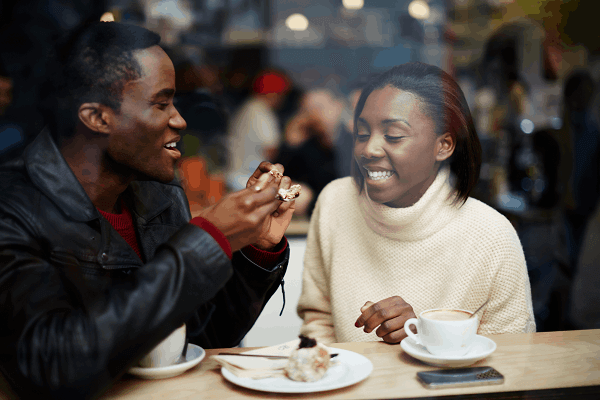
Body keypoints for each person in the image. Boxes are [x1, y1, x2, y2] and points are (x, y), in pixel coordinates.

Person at [0, 22, 296, 399]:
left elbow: (202, 337)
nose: (180, 120)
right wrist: (208, 240)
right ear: (97, 118)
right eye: (161, 103)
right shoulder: (13, 208)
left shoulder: (159, 192)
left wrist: (256, 248)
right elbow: (53, 366)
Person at [297, 62, 536, 344]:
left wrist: (422, 337)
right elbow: (318, 323)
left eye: (393, 135)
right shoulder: (335, 202)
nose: (369, 149)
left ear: (443, 146)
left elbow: (508, 363)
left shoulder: (491, 234)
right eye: (362, 134)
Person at [225, 70, 290, 191]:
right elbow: (271, 150)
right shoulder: (260, 111)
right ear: (273, 93)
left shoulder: (248, 108)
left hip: (238, 177)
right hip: (247, 180)